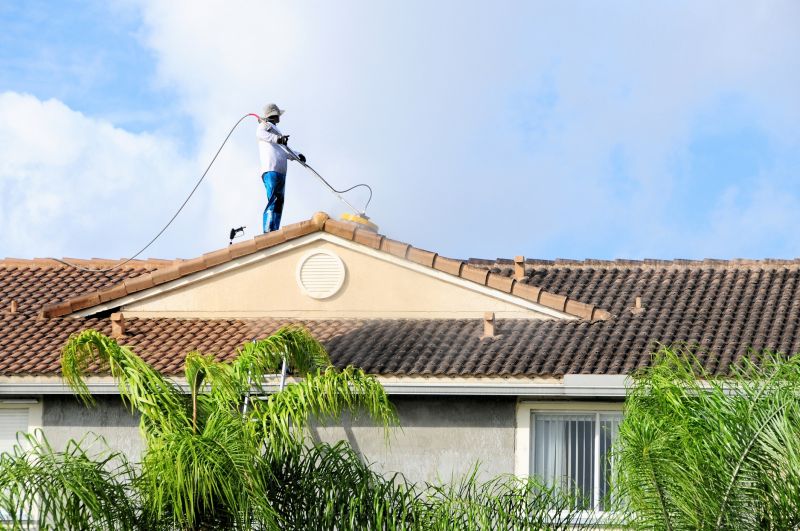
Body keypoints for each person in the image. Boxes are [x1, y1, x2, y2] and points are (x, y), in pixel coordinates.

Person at [256, 103, 306, 233]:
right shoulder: (263, 126)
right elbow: (260, 134)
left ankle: (274, 229)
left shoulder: (276, 131)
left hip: (280, 171)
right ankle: (268, 230)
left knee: (279, 203)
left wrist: (297, 155)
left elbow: (284, 150)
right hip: (271, 169)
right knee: (273, 199)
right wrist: (278, 138)